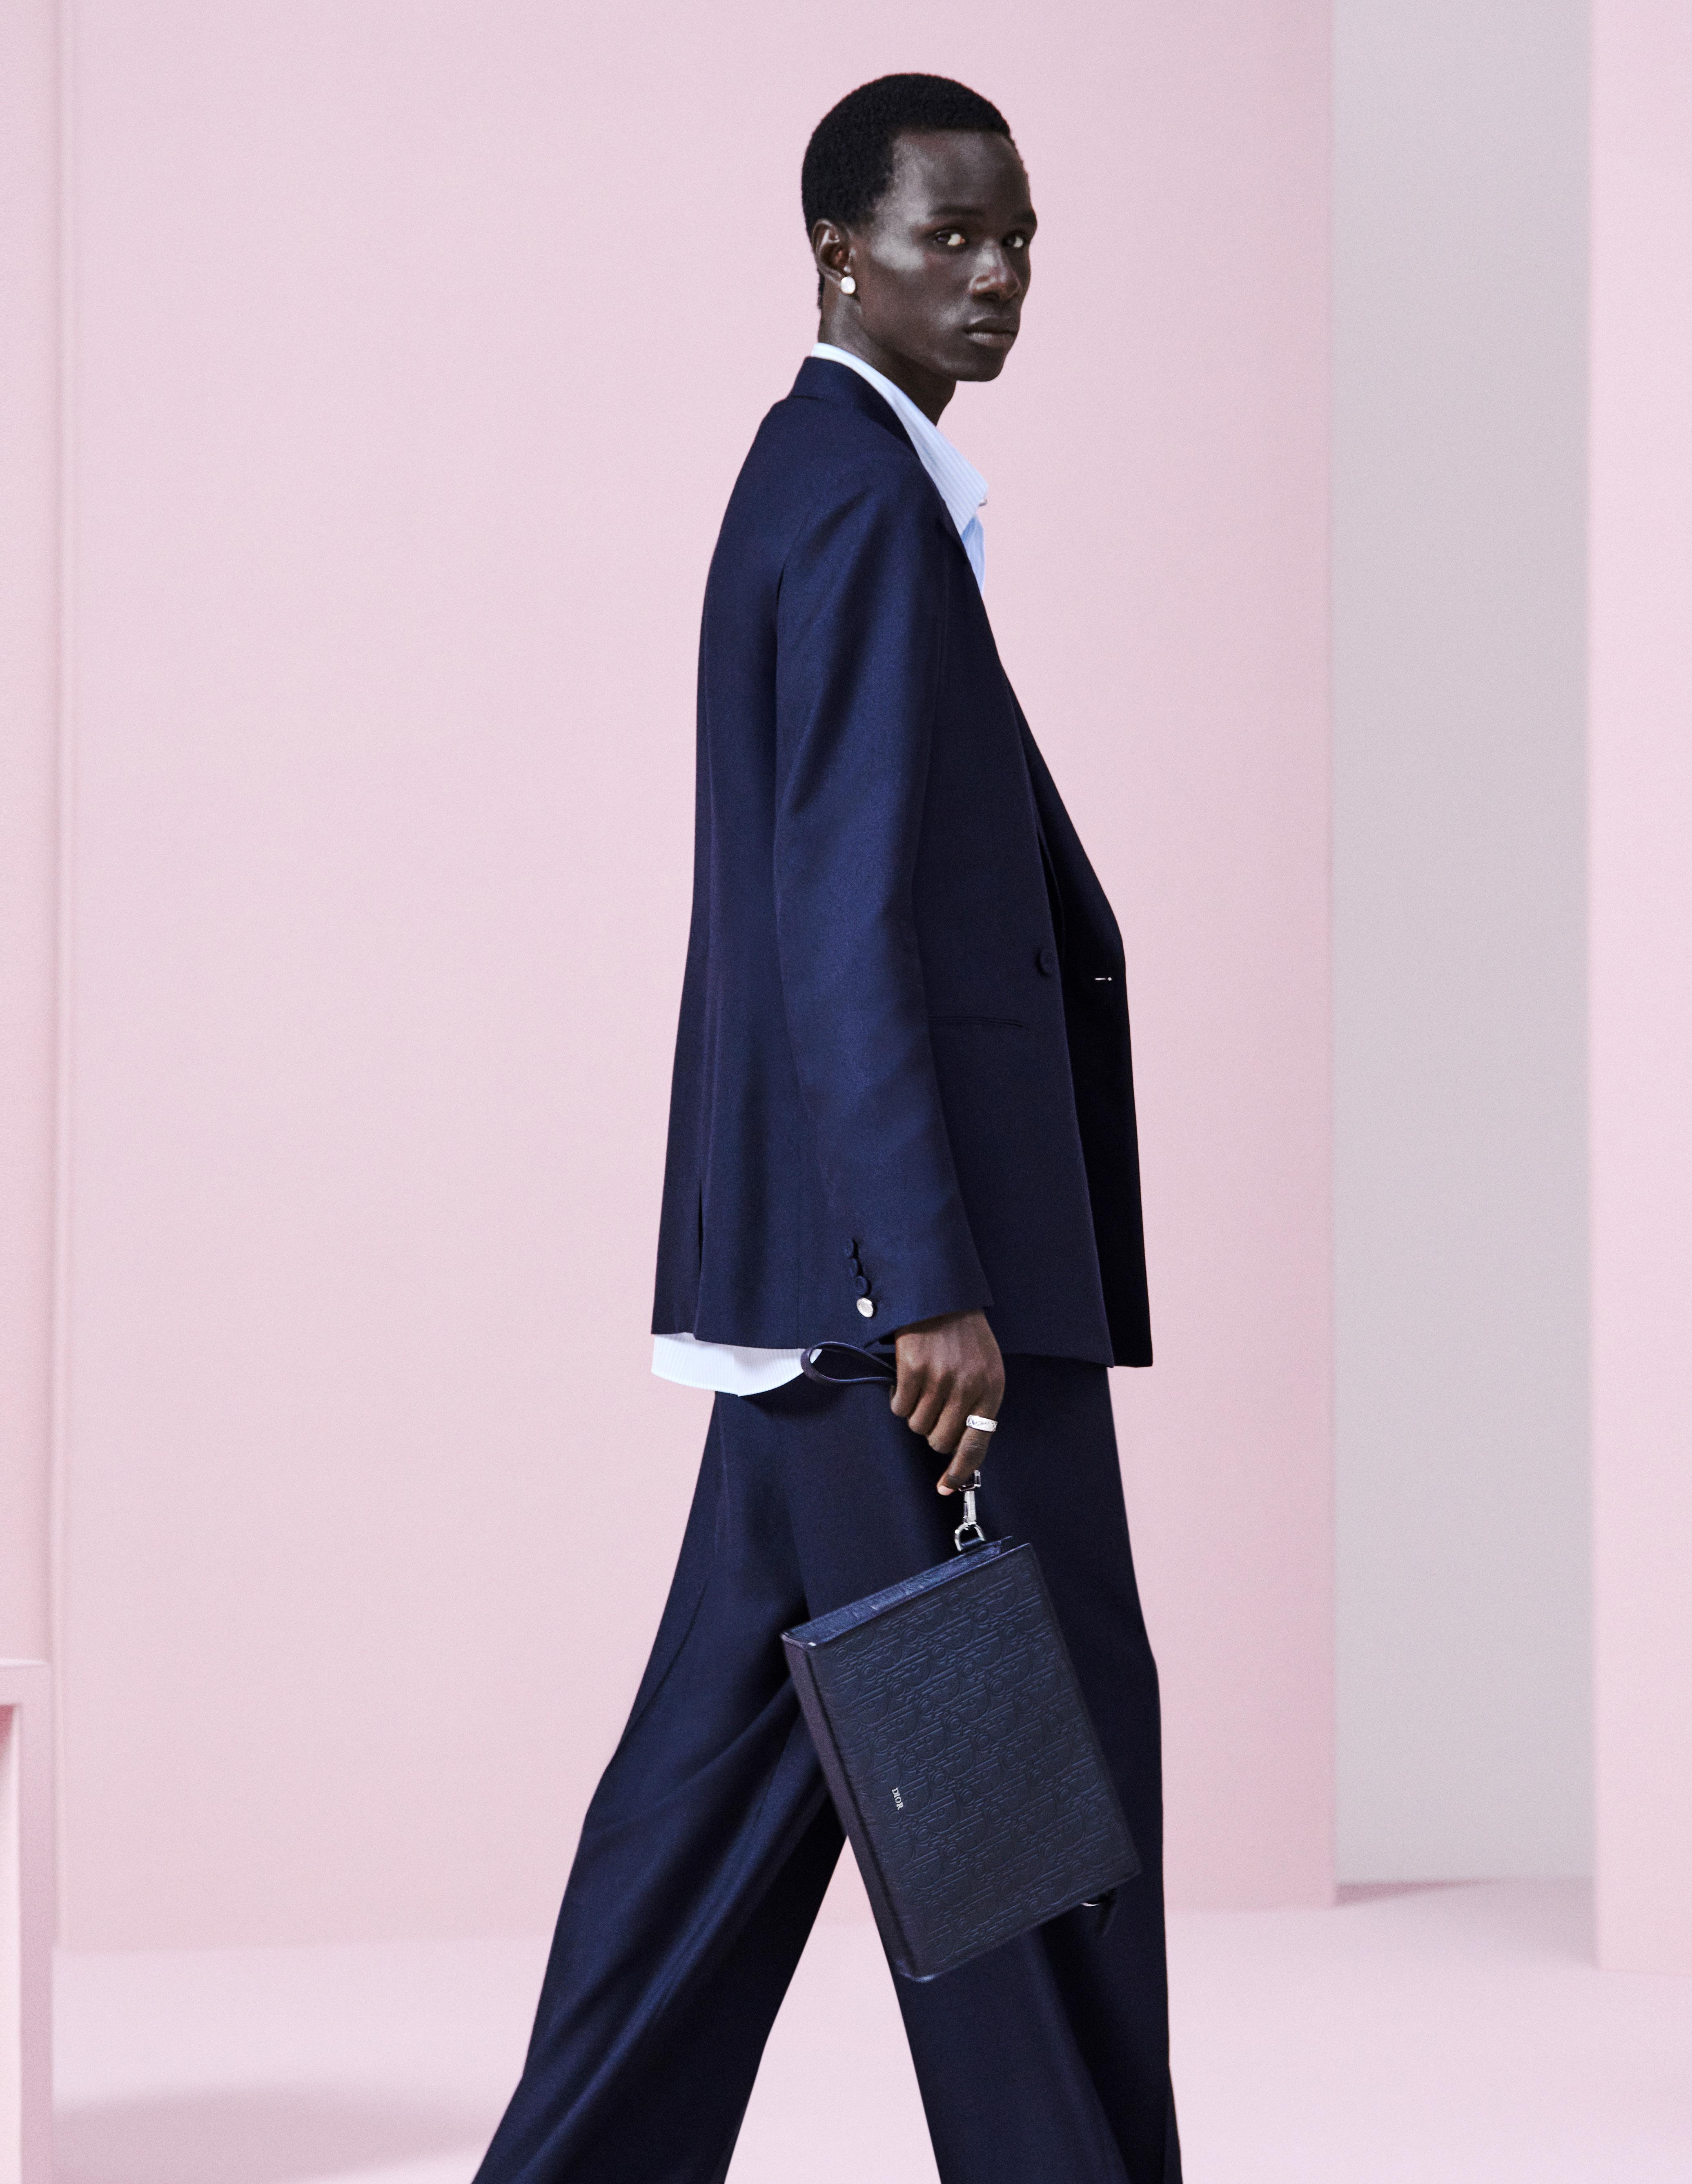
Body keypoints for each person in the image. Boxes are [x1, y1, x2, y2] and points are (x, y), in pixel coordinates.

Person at [474, 72, 1180, 2184]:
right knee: (1025, 1814)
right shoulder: (862, 502)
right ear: (836, 254)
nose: (995, 274)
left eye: (1017, 236)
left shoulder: (832, 479)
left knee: (705, 1826)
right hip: (910, 1324)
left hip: (825, 1305)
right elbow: (837, 914)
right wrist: (922, 1281)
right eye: (947, 235)